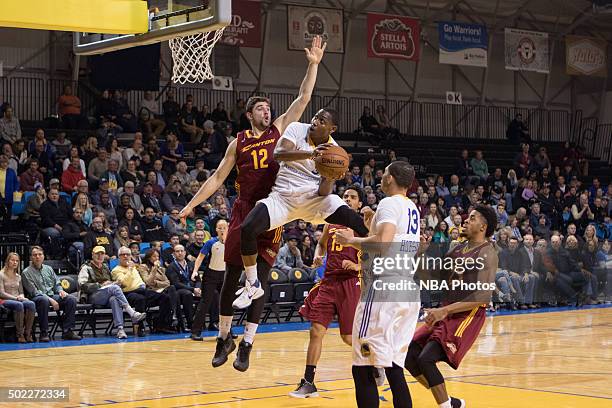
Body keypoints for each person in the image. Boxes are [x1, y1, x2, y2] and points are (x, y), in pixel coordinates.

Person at [178, 36, 328, 371]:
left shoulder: (278, 131)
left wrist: (313, 64)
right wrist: (191, 205)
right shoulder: (238, 142)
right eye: (261, 108)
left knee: (260, 280)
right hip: (244, 210)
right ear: (249, 114)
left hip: (273, 210)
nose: (267, 111)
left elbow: (303, 98)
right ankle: (223, 338)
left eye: (268, 108)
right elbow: (216, 179)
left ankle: (247, 343)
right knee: (231, 276)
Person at [334, 162, 421, 408]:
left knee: (362, 367)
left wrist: (352, 241)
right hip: (407, 289)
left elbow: (383, 243)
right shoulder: (411, 207)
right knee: (393, 367)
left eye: (384, 174)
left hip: (384, 289)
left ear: (391, 178)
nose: (381, 178)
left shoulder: (389, 203)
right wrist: (371, 227)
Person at [404, 205, 498, 408]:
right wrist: (420, 254)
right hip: (446, 311)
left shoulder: (487, 253)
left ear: (483, 226)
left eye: (472, 218)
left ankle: (445, 405)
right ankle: (449, 402)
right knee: (410, 356)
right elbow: (433, 278)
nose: (465, 220)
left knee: (426, 359)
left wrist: (444, 310)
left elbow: (483, 296)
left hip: (466, 316)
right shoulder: (456, 249)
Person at [290, 186, 364, 398]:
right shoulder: (330, 224)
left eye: (352, 197)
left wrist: (359, 266)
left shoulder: (362, 225)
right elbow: (321, 246)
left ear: (359, 203)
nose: (348, 199)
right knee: (316, 331)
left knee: (349, 338)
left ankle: (377, 363)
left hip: (351, 283)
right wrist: (317, 255)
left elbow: (377, 252)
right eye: (345, 196)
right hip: (329, 282)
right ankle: (309, 381)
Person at [78, 246, 146, 339]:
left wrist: (116, 283)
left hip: (107, 294)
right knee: (114, 288)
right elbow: (82, 285)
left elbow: (111, 283)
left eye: (102, 254)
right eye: (97, 254)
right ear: (92, 255)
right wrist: (100, 285)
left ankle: (120, 329)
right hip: (93, 296)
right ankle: (132, 313)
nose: (100, 256)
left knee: (114, 299)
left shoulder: (105, 267)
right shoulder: (86, 268)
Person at [21, 246, 82, 342]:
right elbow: (34, 291)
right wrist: (51, 300)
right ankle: (44, 333)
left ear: (43, 256)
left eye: (40, 254)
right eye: (35, 255)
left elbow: (56, 283)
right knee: (43, 300)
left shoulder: (48, 269)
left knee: (71, 299)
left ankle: (67, 331)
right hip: (36, 298)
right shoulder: (26, 272)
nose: (37, 257)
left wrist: (60, 291)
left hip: (52, 295)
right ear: (31, 257)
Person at [112, 246, 174, 334]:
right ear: (119, 257)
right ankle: (140, 327)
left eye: (128, 254)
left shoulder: (134, 268)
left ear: (130, 256)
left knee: (165, 297)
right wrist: (130, 269)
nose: (125, 256)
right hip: (127, 293)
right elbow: (124, 283)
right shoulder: (116, 270)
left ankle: (160, 325)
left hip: (142, 290)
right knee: (140, 299)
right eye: (123, 255)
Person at [190, 219, 228, 341]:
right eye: (220, 228)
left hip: (225, 275)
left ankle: (227, 331)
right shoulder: (211, 242)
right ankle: (195, 332)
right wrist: (195, 270)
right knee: (205, 303)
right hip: (210, 275)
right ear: (216, 229)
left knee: (226, 303)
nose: (222, 230)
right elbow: (200, 257)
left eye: (224, 227)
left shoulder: (232, 242)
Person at [0, 253, 36, 343]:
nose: (15, 262)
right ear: (7, 261)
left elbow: (21, 292)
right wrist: (16, 298)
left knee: (31, 304)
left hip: (17, 299)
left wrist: (22, 297)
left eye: (17, 261)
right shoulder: (1, 274)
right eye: (12, 260)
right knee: (19, 305)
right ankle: (19, 334)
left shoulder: (18, 276)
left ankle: (27, 333)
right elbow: (1, 293)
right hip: (4, 300)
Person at [165, 244, 201, 331]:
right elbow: (176, 283)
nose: (180, 253)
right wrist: (193, 289)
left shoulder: (192, 264)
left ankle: (214, 322)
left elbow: (198, 280)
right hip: (179, 291)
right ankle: (190, 323)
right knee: (187, 294)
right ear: (174, 254)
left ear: (185, 253)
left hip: (194, 289)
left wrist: (198, 288)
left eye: (182, 251)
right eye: (177, 251)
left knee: (213, 293)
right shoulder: (171, 267)